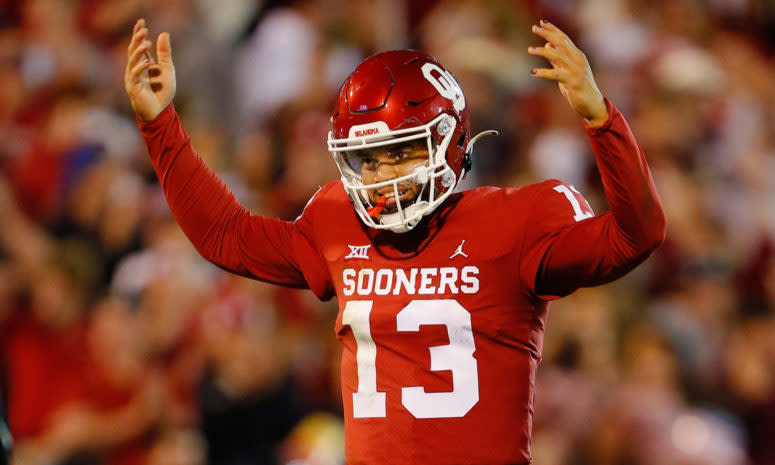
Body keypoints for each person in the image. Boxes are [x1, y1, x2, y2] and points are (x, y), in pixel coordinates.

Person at [125, 17, 665, 465]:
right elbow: (226, 236)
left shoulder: (517, 221)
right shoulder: (339, 221)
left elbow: (636, 235)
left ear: (450, 142)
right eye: (369, 159)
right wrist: (160, 124)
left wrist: (601, 119)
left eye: (402, 152)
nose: (383, 175)